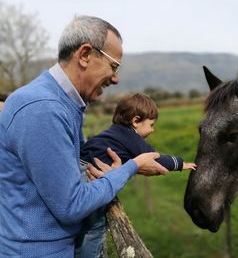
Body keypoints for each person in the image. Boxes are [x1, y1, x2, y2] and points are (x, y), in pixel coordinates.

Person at [0, 15, 168, 258]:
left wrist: (108, 169)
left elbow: (69, 170)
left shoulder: (63, 102)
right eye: (114, 66)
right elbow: (71, 205)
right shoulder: (43, 108)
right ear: (85, 55)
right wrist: (132, 166)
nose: (116, 78)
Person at [76, 93, 196, 257]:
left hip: (78, 169)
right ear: (136, 121)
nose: (153, 130)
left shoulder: (114, 132)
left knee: (79, 226)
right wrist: (181, 164)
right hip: (89, 178)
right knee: (94, 227)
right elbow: (155, 159)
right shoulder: (131, 137)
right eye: (151, 125)